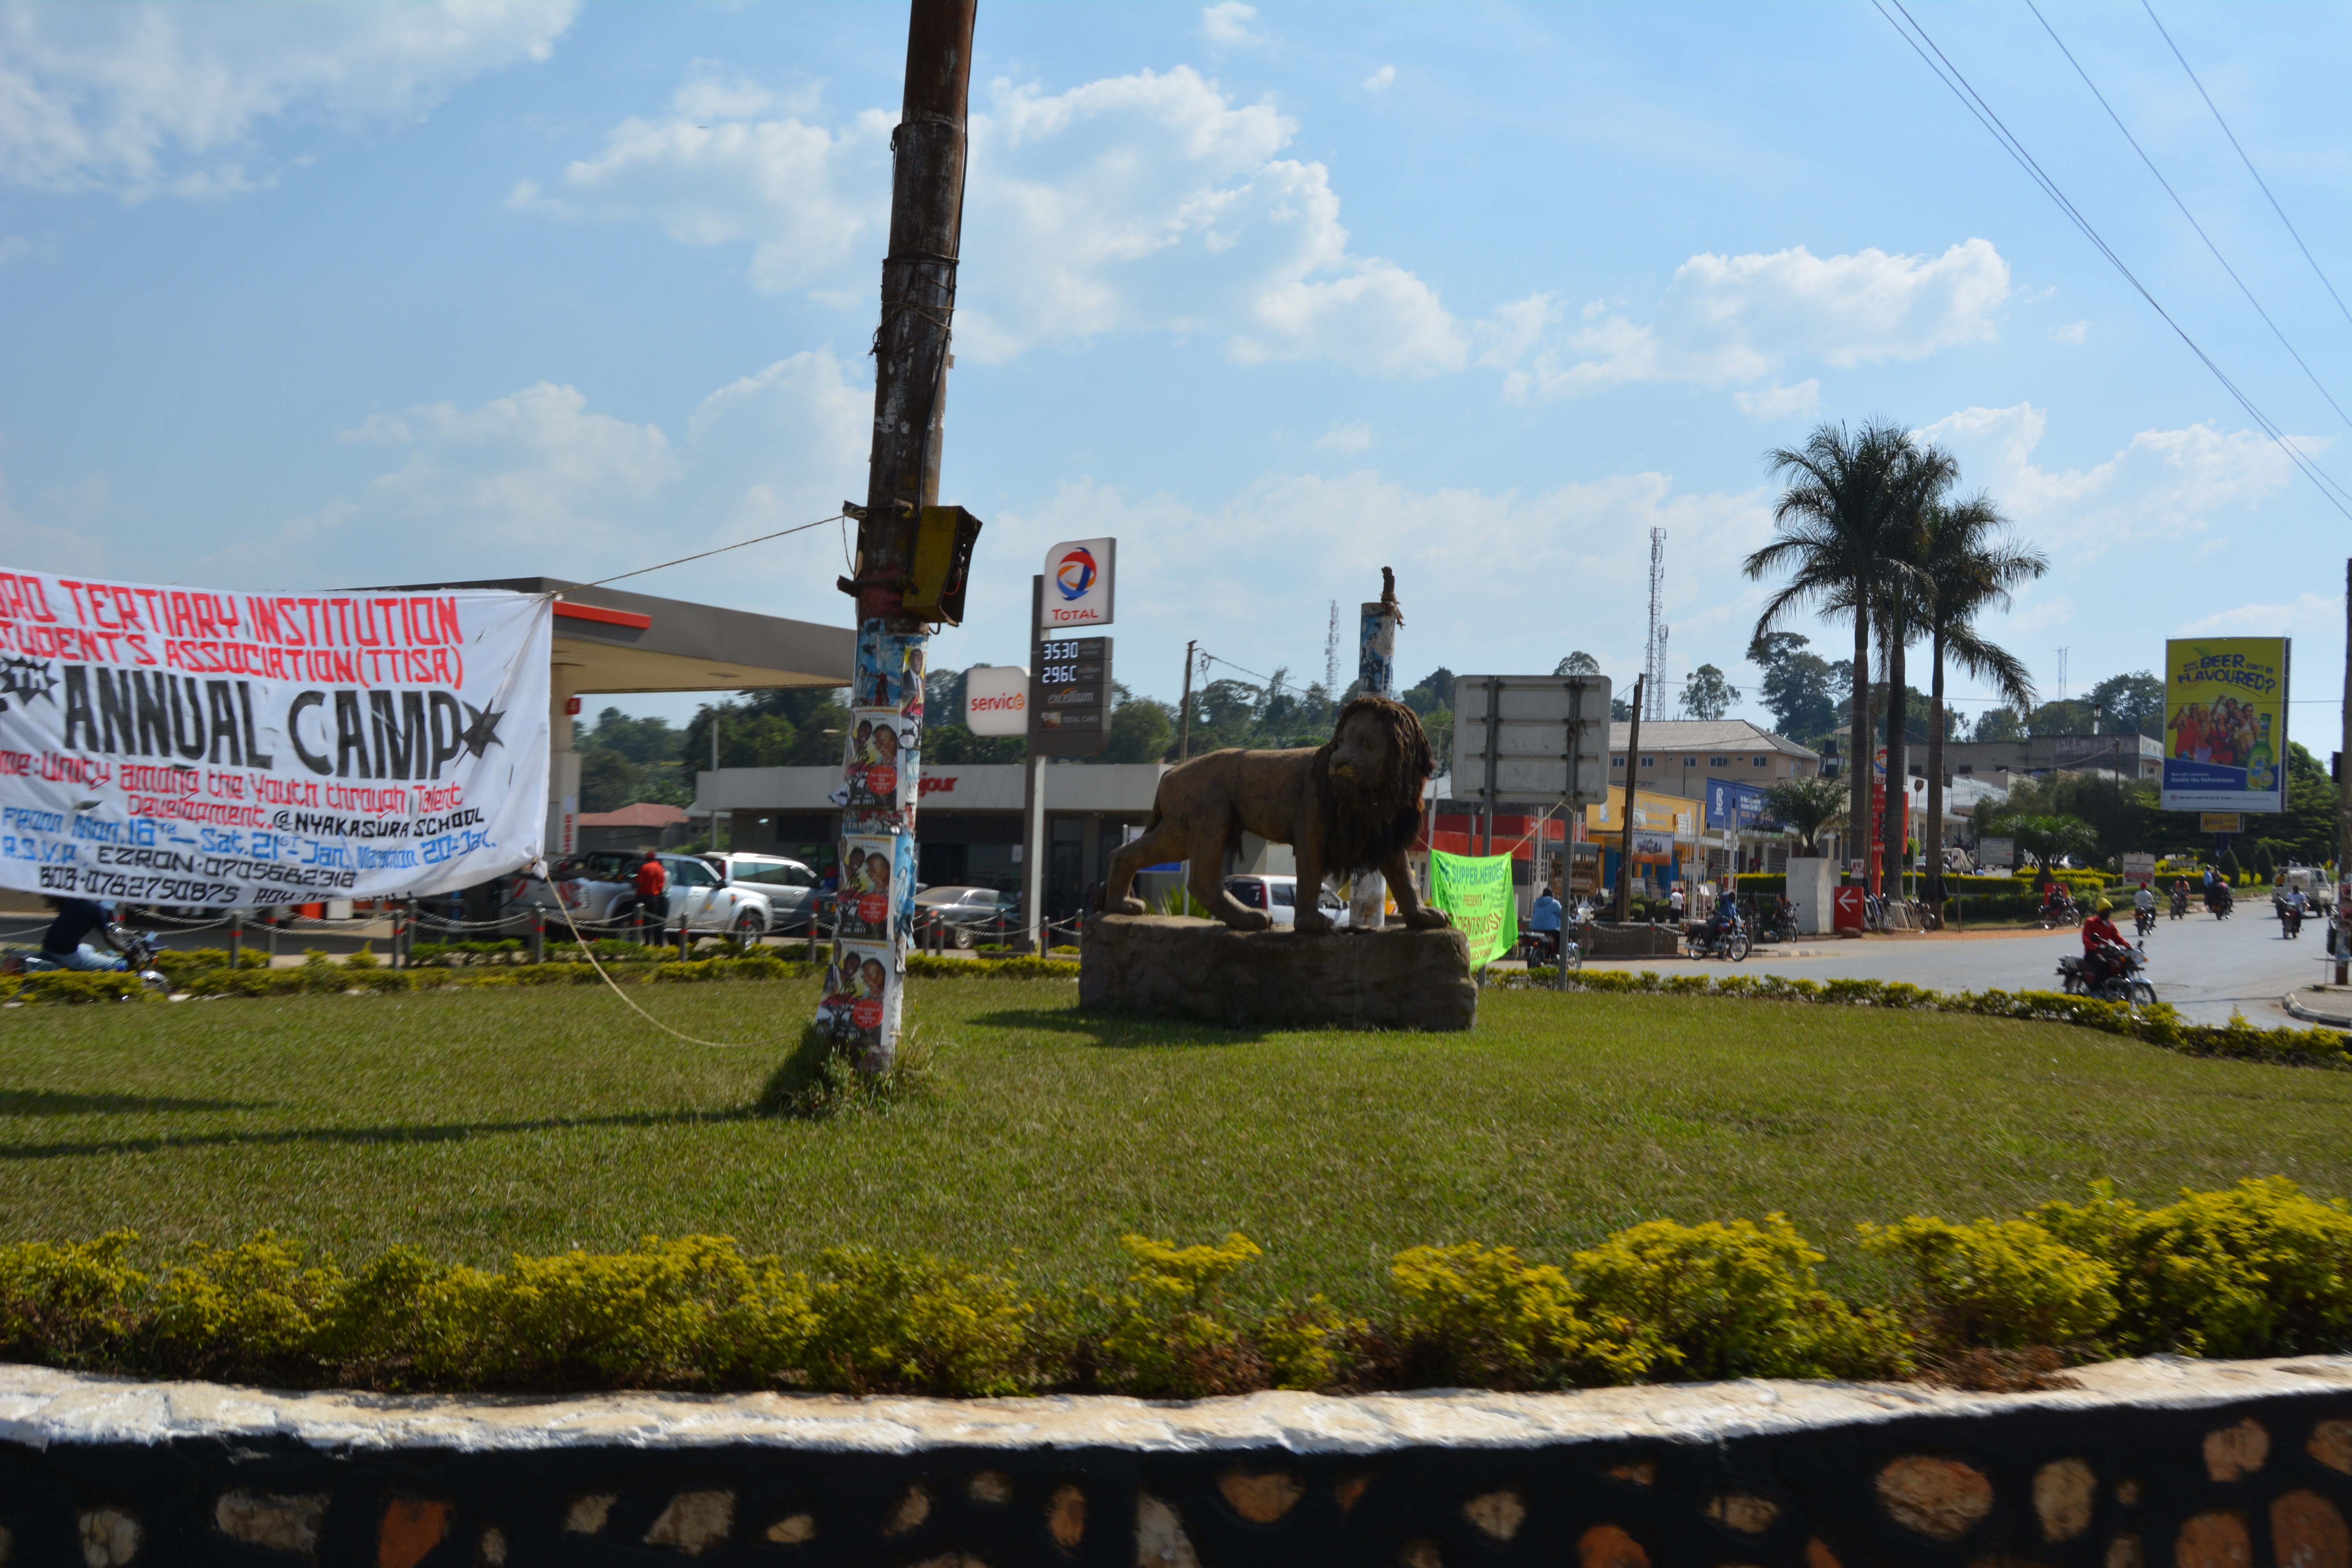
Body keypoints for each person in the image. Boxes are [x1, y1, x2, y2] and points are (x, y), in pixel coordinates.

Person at [40, 897, 131, 971]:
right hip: (66, 955)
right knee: (122, 964)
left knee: (89, 948)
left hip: (49, 947)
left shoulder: (75, 899)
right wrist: (128, 951)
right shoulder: (98, 910)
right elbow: (109, 939)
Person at [2081, 898, 2131, 989]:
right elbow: (2086, 939)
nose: (2109, 913)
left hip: (2106, 952)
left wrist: (2129, 947)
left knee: (2123, 962)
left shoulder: (2110, 925)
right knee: (2103, 964)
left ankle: (2117, 986)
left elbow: (2118, 939)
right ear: (2101, 911)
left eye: (2110, 910)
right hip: (2093, 953)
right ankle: (2095, 989)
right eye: (2107, 910)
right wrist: (2095, 946)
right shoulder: (2090, 922)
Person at [629, 849, 668, 942]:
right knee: (650, 921)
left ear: (647, 859)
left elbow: (638, 883)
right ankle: (648, 943)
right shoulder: (661, 869)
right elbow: (661, 885)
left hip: (643, 897)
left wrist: (633, 884)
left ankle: (636, 941)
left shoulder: (645, 868)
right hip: (655, 898)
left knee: (637, 919)